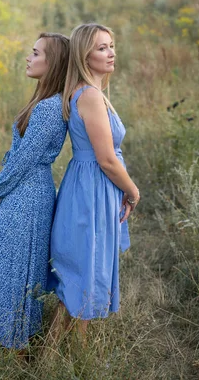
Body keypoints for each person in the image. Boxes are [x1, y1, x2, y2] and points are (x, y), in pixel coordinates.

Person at [0, 32, 70, 362]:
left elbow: (24, 161)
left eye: (36, 53)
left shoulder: (49, 109)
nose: (29, 57)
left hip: (28, 197)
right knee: (11, 272)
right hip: (25, 192)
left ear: (51, 63)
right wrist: (0, 189)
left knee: (5, 274)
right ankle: (18, 354)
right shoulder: (44, 103)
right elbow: (18, 156)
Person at [48, 23, 140, 337]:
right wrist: (131, 189)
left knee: (86, 265)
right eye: (101, 47)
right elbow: (107, 159)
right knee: (84, 267)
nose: (111, 52)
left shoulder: (93, 92)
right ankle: (63, 354)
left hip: (92, 184)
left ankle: (70, 351)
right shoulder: (89, 96)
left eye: (111, 45)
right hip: (92, 186)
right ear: (84, 56)